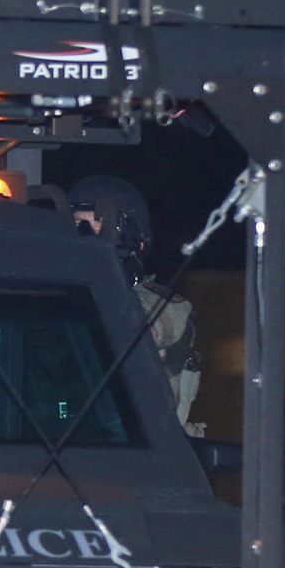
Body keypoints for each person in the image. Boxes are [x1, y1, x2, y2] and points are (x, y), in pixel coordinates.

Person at [70, 175, 200, 428]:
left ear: (135, 240)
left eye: (99, 225)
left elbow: (122, 331)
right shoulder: (62, 300)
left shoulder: (164, 306)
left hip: (148, 456)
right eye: (77, 224)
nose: (86, 236)